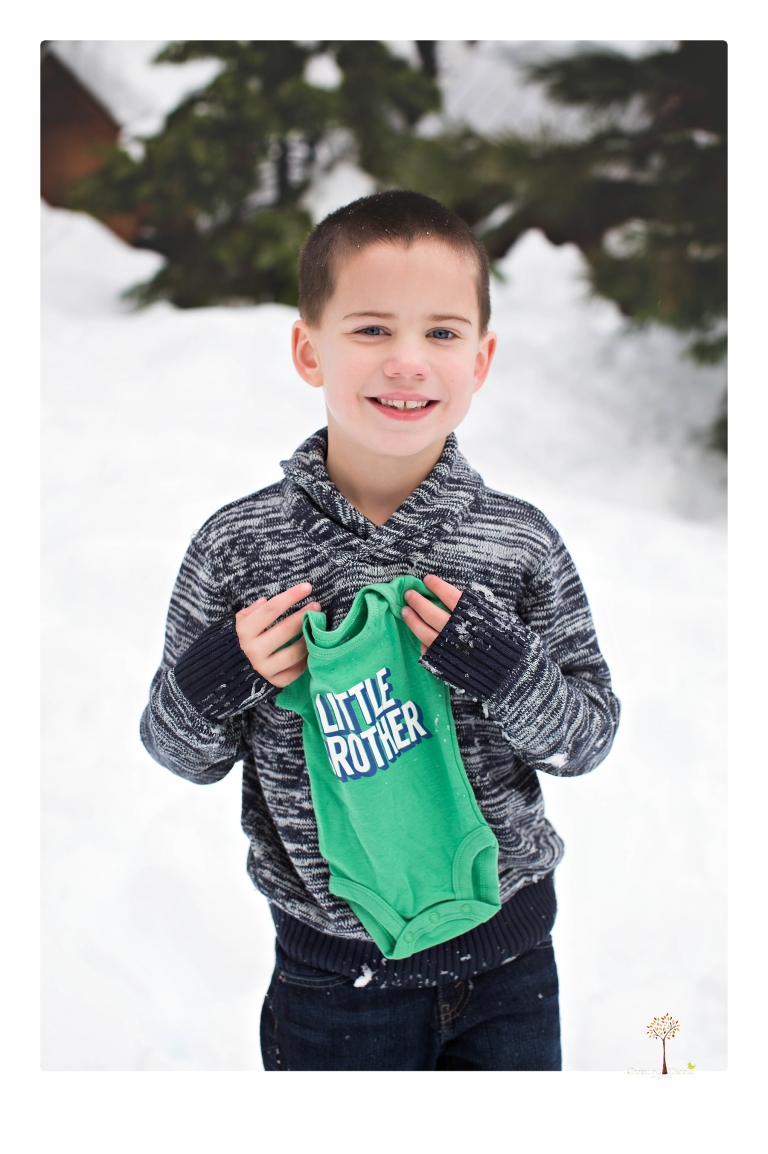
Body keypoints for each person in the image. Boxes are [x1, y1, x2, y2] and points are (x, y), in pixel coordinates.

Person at [140, 190, 621, 1071]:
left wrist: (511, 671)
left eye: (440, 334)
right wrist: (224, 669)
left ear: (481, 359)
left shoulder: (517, 544)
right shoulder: (239, 547)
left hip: (509, 962)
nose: (408, 362)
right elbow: (181, 752)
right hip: (332, 982)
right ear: (306, 348)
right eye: (370, 330)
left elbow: (586, 740)